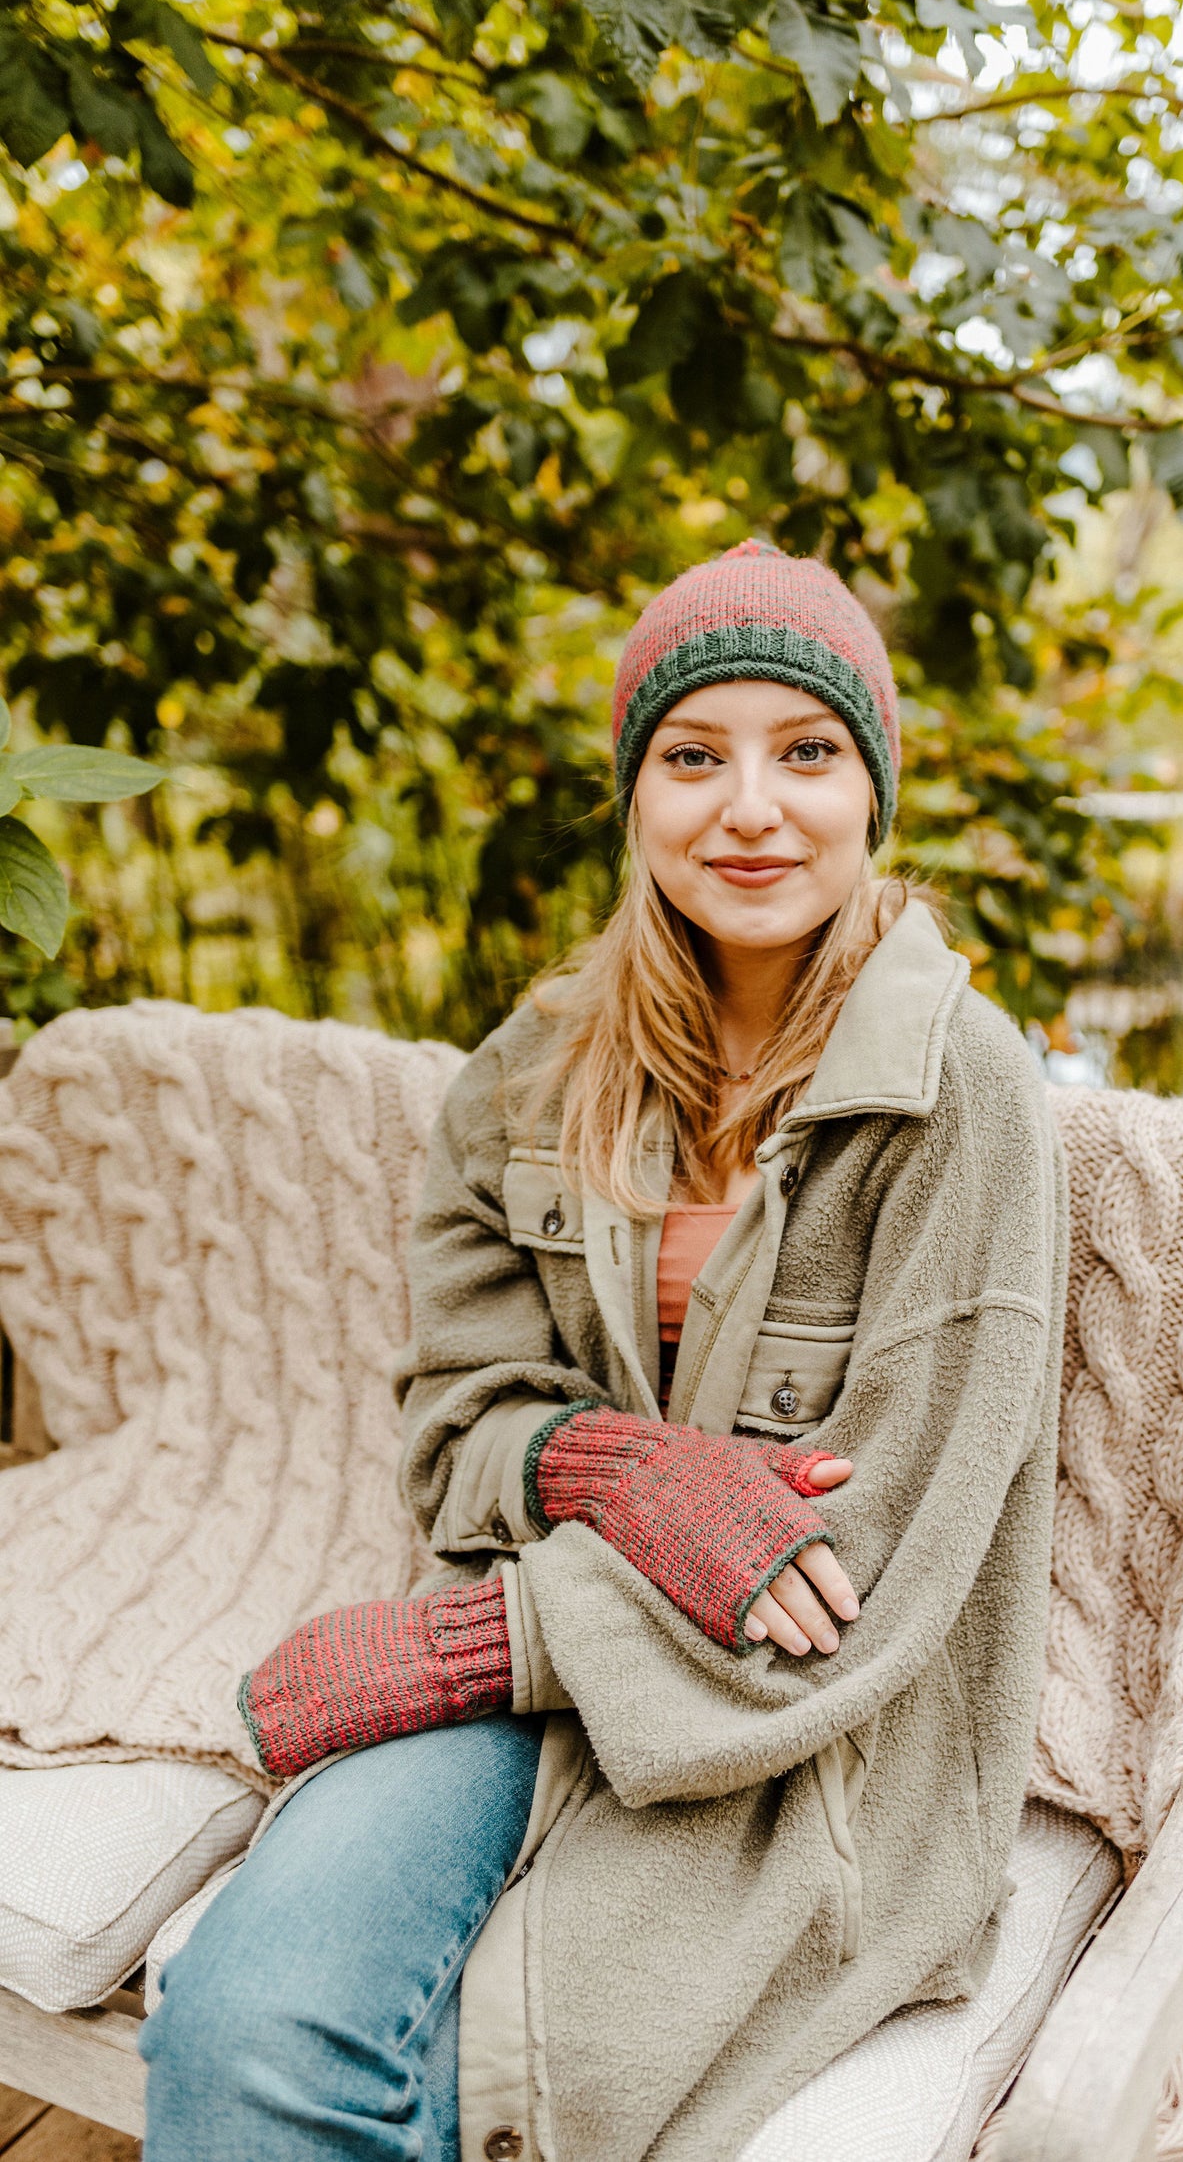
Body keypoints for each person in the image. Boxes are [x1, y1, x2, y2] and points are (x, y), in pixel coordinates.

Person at [140, 538, 1068, 2162]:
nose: (751, 808)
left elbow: (870, 1555)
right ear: (637, 796)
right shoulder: (533, 1073)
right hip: (535, 1670)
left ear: (873, 795)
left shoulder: (960, 1094)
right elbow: (457, 1435)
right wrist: (608, 1463)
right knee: (237, 2039)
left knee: (491, 2099)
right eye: (694, 756)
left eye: (808, 753)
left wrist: (465, 1650)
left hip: (796, 1739)